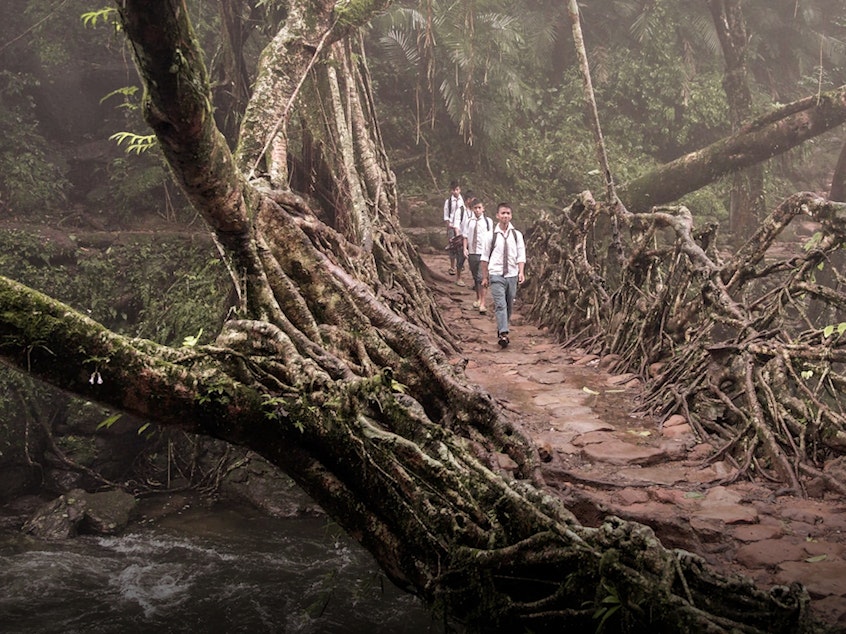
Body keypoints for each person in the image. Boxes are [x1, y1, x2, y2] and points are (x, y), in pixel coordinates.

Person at [481, 202, 525, 348]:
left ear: (511, 216)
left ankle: (502, 327)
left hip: (512, 274)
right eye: (503, 213)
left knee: (509, 304)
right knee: (500, 305)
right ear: (497, 216)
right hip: (496, 274)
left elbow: (521, 255)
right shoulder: (490, 236)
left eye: (508, 213)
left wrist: (521, 272)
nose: (505, 216)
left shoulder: (517, 235)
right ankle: (503, 334)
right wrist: (485, 277)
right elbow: (485, 258)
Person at [462, 197, 493, 313]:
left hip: (483, 253)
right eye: (475, 208)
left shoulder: (488, 222)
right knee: (475, 277)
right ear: (472, 209)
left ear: (483, 209)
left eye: (479, 208)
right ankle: (478, 298)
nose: (477, 210)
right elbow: (465, 236)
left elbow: (491, 237)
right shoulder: (469, 221)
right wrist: (465, 248)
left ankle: (483, 303)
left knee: (482, 277)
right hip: (472, 252)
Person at [443, 181, 464, 276]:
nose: (455, 192)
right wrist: (448, 226)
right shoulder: (448, 202)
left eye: (457, 189)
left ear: (460, 190)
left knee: (460, 246)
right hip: (452, 226)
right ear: (451, 191)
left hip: (460, 226)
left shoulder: (462, 201)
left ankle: (460, 264)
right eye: (454, 190)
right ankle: (452, 266)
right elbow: (446, 215)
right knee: (452, 246)